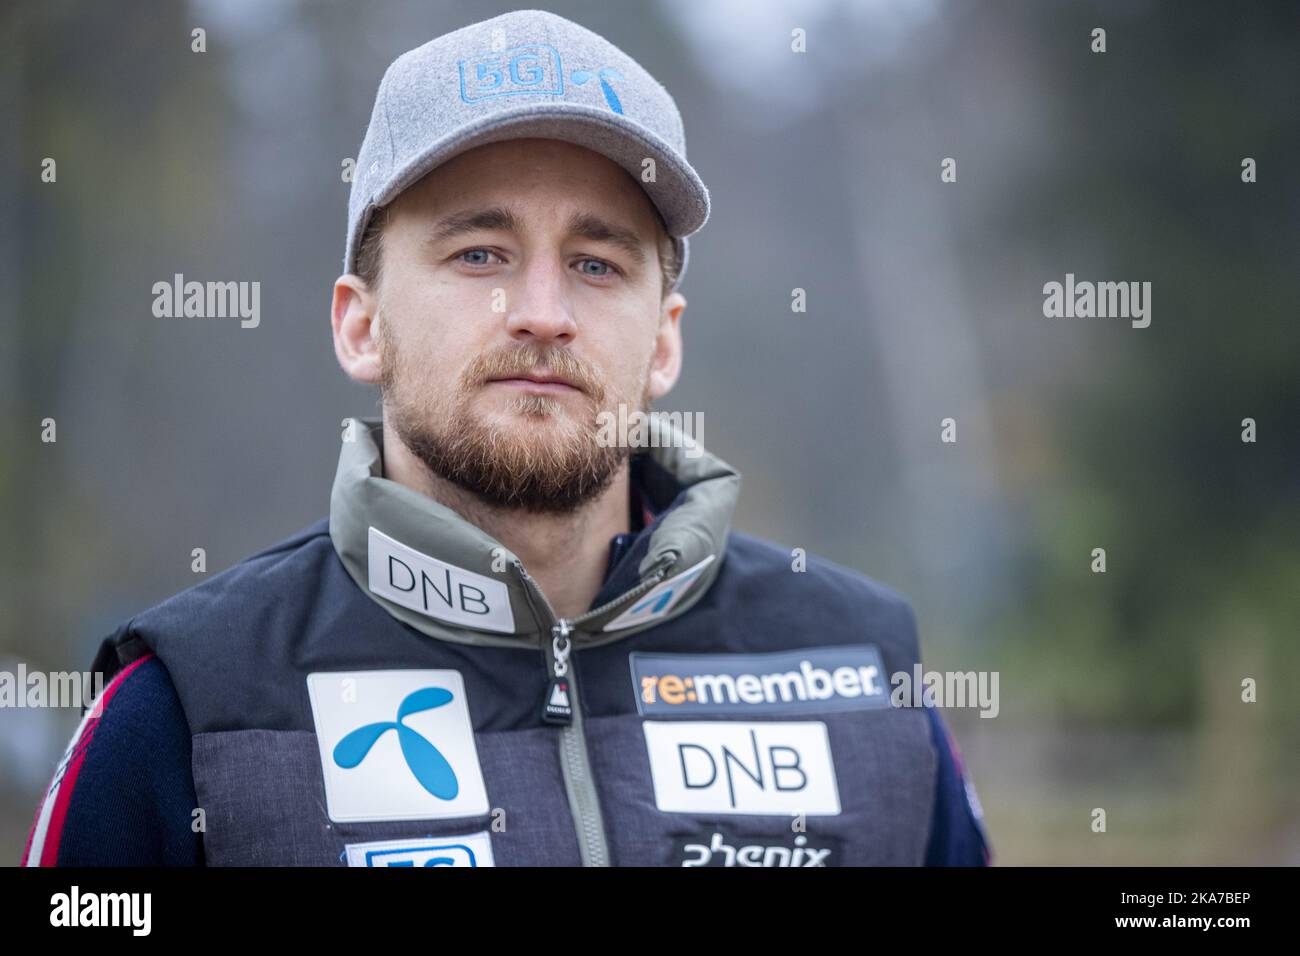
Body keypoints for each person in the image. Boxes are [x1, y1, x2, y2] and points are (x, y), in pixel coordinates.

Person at [23, 8, 990, 867]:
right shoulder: (184, 711)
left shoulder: (864, 671)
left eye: (597, 263)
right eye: (478, 252)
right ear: (360, 325)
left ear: (665, 339)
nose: (541, 312)